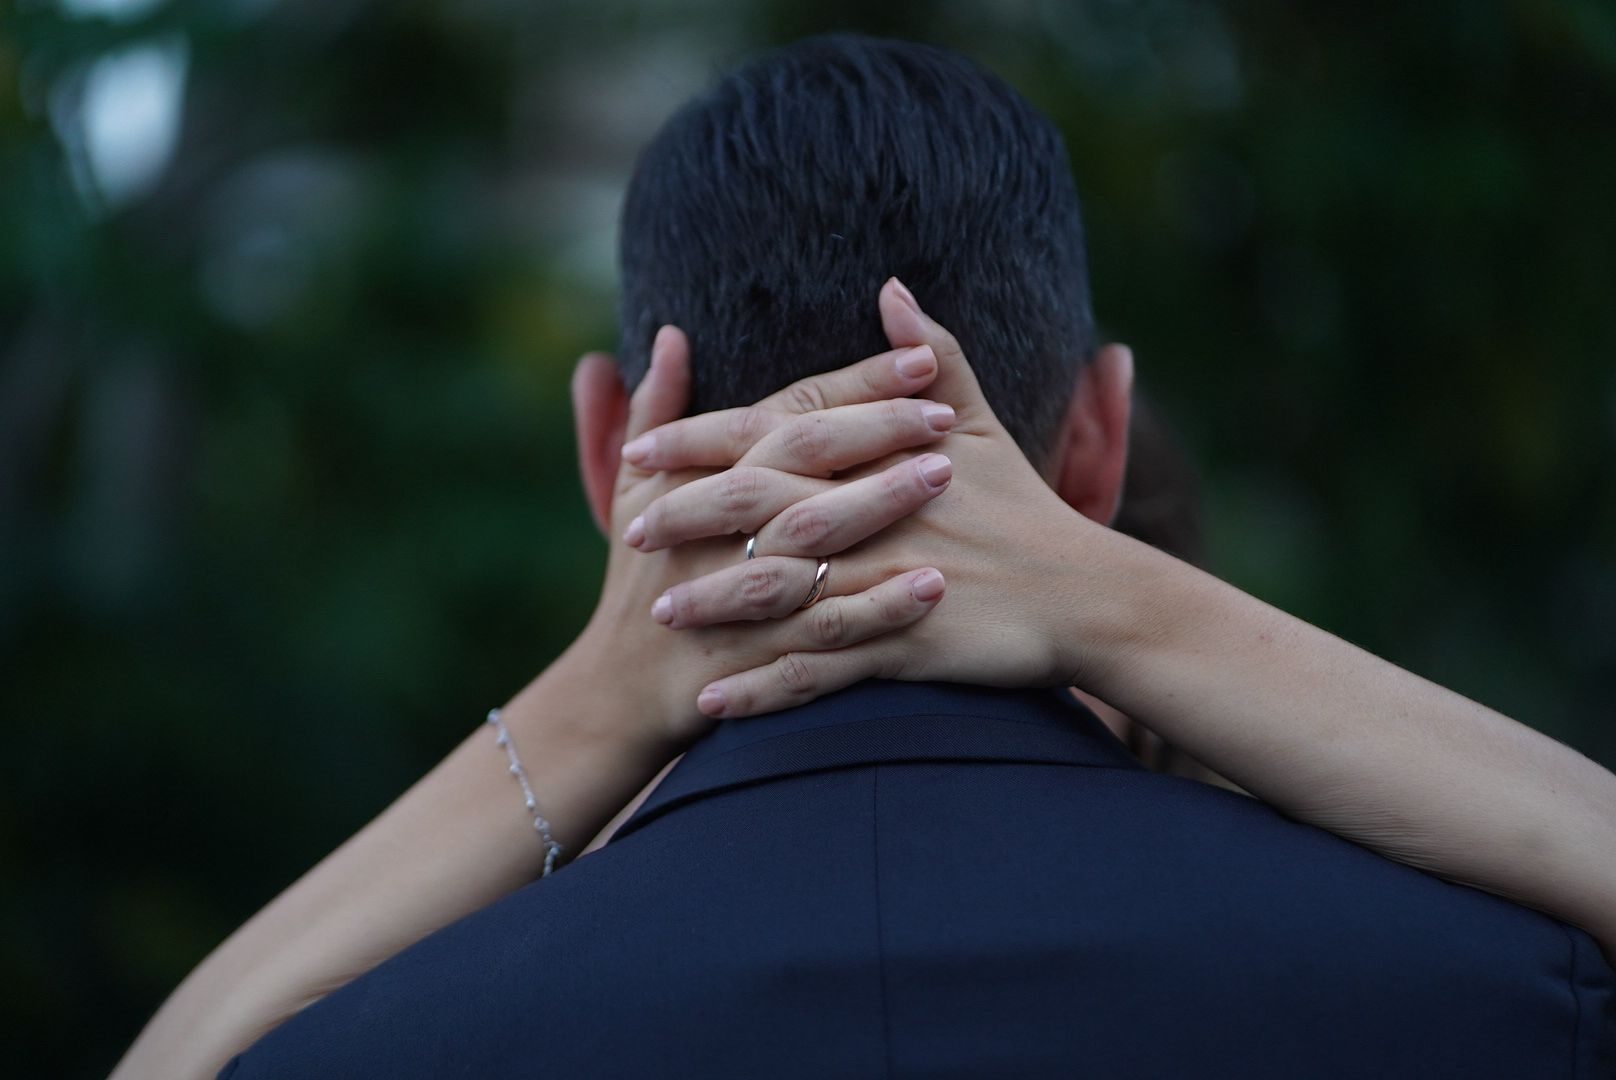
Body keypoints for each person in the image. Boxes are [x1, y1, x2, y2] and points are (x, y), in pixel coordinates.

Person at [113, 35, 1615, 1079]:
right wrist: (1122, 603)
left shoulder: (351, 1053)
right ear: (1096, 437)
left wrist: (594, 698)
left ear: (604, 450)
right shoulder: (1509, 1000)